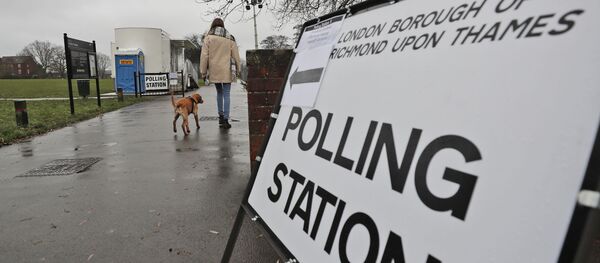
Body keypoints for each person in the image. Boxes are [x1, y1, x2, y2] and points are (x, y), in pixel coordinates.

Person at [200, 18, 241, 129]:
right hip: (227, 70)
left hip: (214, 70)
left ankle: (221, 117)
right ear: (223, 26)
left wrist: (203, 72)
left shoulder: (208, 38)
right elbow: (236, 55)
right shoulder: (230, 38)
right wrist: (238, 69)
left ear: (212, 25)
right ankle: (226, 120)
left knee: (219, 93)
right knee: (227, 94)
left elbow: (204, 56)